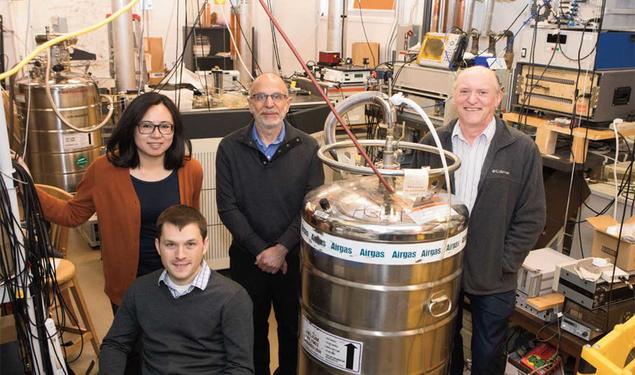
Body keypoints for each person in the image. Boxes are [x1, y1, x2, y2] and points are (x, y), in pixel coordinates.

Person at [410, 66, 546, 374]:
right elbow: (414, 203)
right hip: (440, 268)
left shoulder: (521, 149)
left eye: (483, 93)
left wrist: (504, 262)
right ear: (454, 97)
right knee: (442, 346)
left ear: (498, 98)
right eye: (465, 92)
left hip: (494, 274)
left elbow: (532, 217)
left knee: (488, 352)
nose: (473, 100)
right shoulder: (433, 143)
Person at [35, 92, 203, 309]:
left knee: (180, 342)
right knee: (134, 342)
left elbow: (193, 226)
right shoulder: (103, 170)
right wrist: (25, 187)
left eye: (165, 126)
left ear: (174, 131)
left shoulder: (190, 170)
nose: (157, 134)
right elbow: (71, 214)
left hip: (179, 278)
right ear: (131, 128)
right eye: (146, 126)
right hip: (130, 284)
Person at [216, 73, 324, 375]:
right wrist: (262, 249)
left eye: (276, 96)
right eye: (260, 97)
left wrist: (281, 248)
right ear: (250, 104)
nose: (269, 104)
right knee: (249, 331)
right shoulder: (229, 148)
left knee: (293, 330)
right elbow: (227, 206)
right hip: (247, 258)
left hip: (293, 259)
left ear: (287, 104)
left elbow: (309, 206)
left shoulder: (308, 148)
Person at [100, 204, 254, 374]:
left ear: (205, 246)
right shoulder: (140, 290)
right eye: (170, 245)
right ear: (158, 246)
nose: (180, 255)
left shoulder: (232, 298)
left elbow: (240, 368)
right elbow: (115, 344)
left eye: (190, 244)